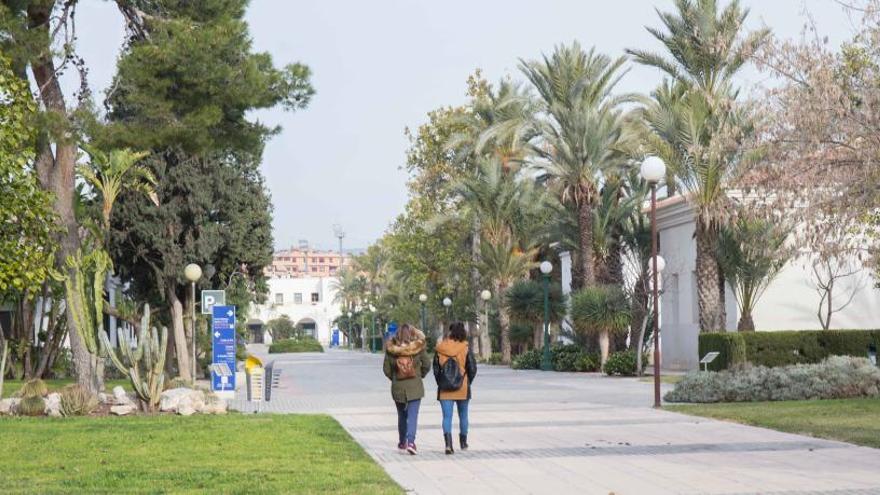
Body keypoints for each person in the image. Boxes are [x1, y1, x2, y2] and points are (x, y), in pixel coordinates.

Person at [383, 324, 431, 455]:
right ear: (411, 334)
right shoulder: (418, 347)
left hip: (398, 387)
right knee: (413, 415)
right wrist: (420, 375)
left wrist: (394, 379)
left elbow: (386, 369)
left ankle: (402, 441)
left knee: (402, 416)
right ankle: (411, 442)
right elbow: (427, 364)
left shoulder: (391, 350)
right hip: (415, 387)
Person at [433, 322, 477, 455]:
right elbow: (472, 368)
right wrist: (467, 381)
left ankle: (448, 445)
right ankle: (463, 442)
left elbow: (436, 370)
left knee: (447, 417)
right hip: (462, 387)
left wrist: (441, 382)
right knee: (463, 416)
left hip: (445, 388)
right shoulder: (466, 348)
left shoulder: (440, 348)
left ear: (450, 333)